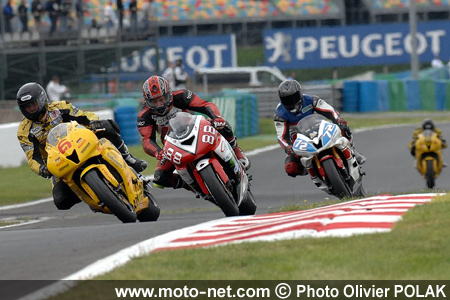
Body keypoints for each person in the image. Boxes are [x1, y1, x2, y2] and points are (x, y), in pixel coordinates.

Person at [16, 82, 147, 210]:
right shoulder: (24, 131)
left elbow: (83, 115)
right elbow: (32, 158)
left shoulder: (60, 107)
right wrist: (43, 169)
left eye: (33, 104)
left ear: (42, 99)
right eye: (27, 107)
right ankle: (89, 192)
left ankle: (128, 158)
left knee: (108, 126)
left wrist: (93, 122)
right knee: (61, 201)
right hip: (59, 163)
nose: (31, 109)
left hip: (81, 143)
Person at [137, 75, 250, 190]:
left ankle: (238, 153)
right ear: (147, 101)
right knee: (159, 179)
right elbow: (147, 140)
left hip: (197, 131)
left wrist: (217, 118)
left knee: (223, 125)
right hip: (172, 145)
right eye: (154, 101)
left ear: (169, 94)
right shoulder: (144, 116)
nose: (159, 104)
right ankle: (193, 187)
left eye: (162, 99)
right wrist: (158, 153)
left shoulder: (181, 95)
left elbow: (206, 105)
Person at [274, 79, 366, 186]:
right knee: (290, 168)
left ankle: (353, 151)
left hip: (318, 128)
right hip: (299, 140)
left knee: (344, 127)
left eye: (293, 97)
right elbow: (281, 136)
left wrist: (338, 120)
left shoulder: (311, 100)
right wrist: (288, 147)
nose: (291, 101)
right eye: (287, 99)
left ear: (299, 93)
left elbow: (330, 110)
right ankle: (312, 170)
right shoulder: (279, 113)